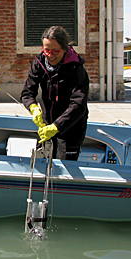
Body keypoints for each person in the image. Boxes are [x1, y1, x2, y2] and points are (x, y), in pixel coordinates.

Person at [21, 26, 89, 160]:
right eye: (46, 50)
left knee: (64, 167)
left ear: (64, 49)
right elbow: (27, 92)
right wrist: (33, 107)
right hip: (46, 125)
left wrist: (57, 126)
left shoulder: (76, 68)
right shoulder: (39, 63)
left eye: (55, 51)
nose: (50, 55)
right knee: (44, 161)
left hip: (70, 127)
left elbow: (78, 104)